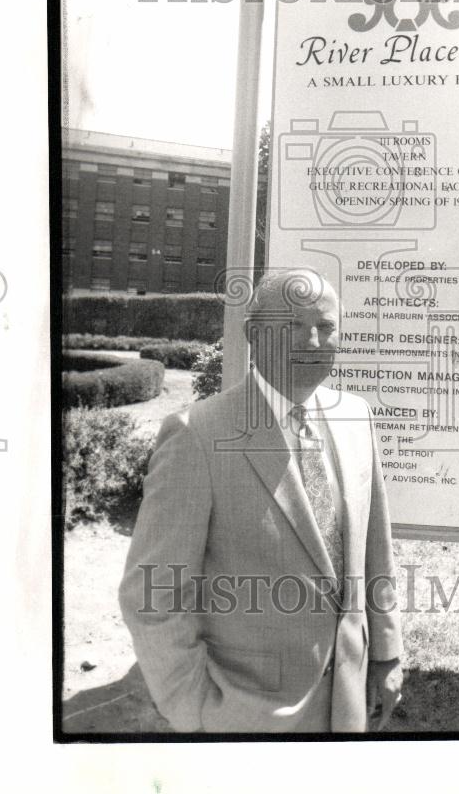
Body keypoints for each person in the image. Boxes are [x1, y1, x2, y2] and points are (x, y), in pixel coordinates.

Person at [119, 268, 403, 733]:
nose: (312, 342)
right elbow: (152, 595)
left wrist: (386, 654)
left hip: (348, 705)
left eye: (326, 327)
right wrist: (196, 712)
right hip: (245, 718)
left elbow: (377, 551)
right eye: (292, 326)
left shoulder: (356, 417)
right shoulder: (198, 436)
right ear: (253, 335)